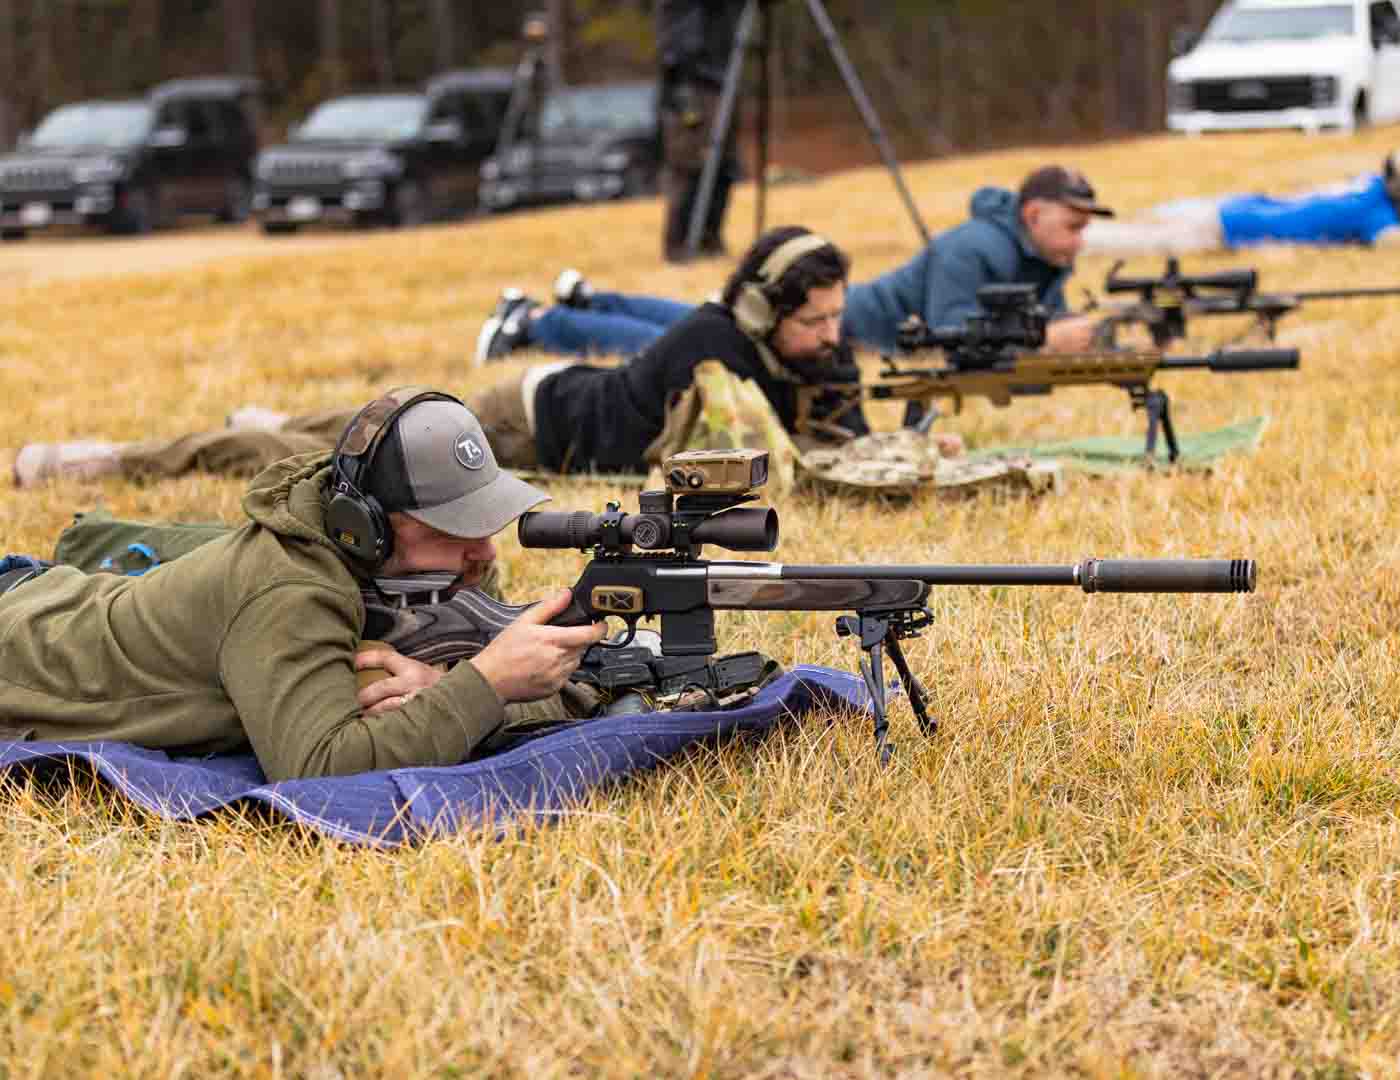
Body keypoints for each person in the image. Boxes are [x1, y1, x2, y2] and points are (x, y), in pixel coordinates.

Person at [0, 389, 609, 782]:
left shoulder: (419, 572)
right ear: (364, 528)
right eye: (453, 531)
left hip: (56, 594)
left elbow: (540, 684)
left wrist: (446, 686)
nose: (482, 555)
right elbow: (323, 769)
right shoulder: (289, 594)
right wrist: (482, 687)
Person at [11, 227, 877, 488]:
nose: (831, 337)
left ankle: (270, 421)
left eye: (838, 319)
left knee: (361, 424)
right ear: (763, 308)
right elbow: (773, 464)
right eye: (817, 321)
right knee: (333, 461)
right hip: (524, 425)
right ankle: (112, 460)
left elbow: (845, 443)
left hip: (542, 406)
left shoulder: (796, 353)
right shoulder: (714, 351)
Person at [474, 164, 1112, 363]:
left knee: (695, 317)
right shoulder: (976, 248)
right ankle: (534, 323)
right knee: (676, 343)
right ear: (1032, 215)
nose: (1079, 239)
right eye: (1072, 224)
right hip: (836, 328)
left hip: (827, 327)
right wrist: (1045, 340)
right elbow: (952, 342)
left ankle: (587, 301)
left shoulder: (1030, 255)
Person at [1083, 140, 1400, 255]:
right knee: (1120, 241)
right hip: (1231, 228)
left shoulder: (1369, 186)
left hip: (1240, 205)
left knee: (1141, 220)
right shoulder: (1375, 216)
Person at [656, 0, 745, 263]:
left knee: (724, 164)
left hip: (721, 73)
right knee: (691, 162)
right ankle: (681, 243)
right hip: (692, 78)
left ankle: (710, 238)